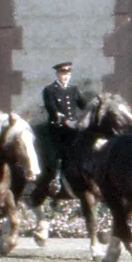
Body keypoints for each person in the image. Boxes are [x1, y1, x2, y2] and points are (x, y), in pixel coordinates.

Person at [43, 61, 88, 195]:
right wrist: (61, 117)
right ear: (57, 74)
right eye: (63, 74)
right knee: (60, 153)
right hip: (58, 127)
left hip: (73, 127)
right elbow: (51, 108)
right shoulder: (50, 90)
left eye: (68, 74)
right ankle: (56, 179)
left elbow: (83, 105)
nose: (66, 76)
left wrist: (93, 104)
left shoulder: (74, 89)